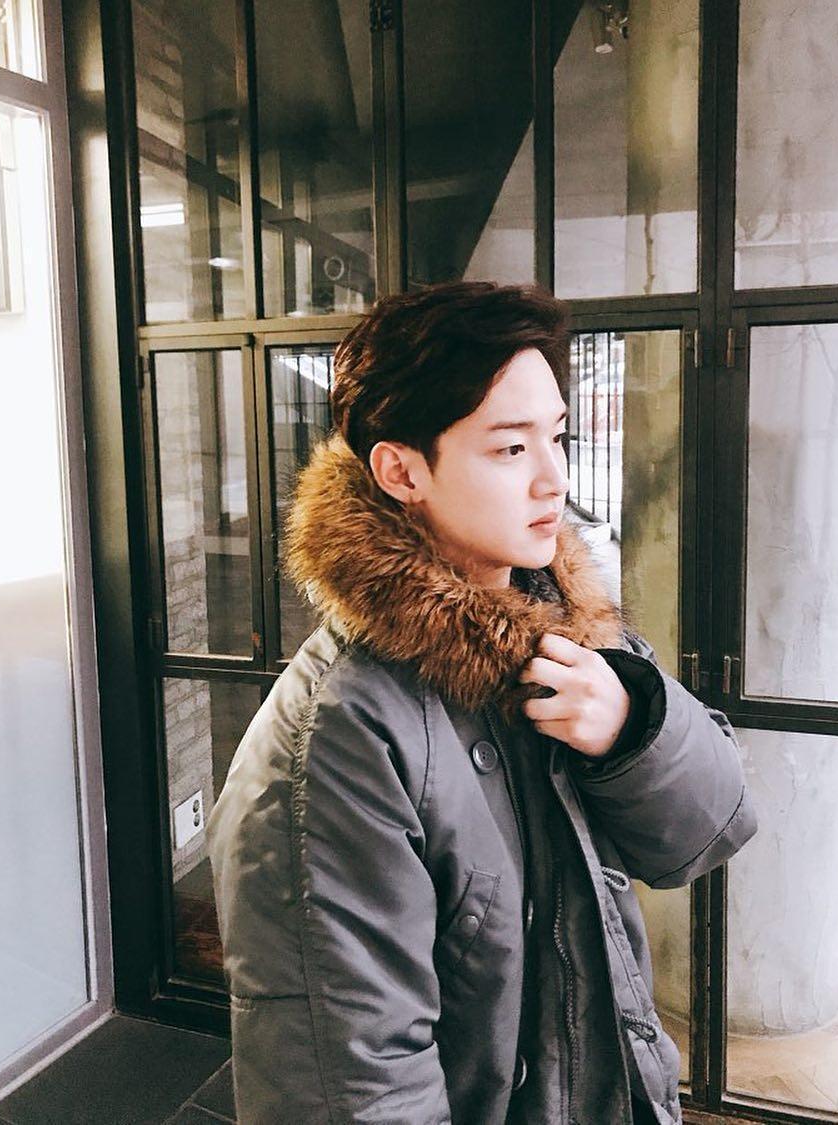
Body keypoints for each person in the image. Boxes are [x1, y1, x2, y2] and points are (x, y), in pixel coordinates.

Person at [206, 281, 757, 1125]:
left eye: (557, 437)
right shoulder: (337, 741)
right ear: (402, 470)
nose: (554, 479)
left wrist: (632, 726)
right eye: (509, 448)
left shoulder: (568, 628)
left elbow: (710, 828)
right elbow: (357, 1089)